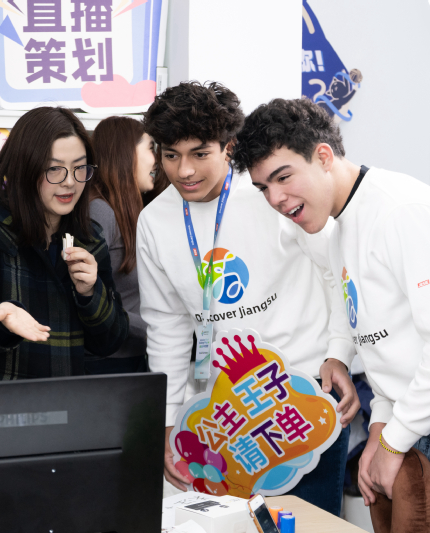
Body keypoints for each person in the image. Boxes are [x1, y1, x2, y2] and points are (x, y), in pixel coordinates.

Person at [233, 97, 430, 532]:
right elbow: (382, 339)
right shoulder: (342, 227)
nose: (275, 198)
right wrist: (380, 428)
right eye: (263, 188)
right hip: (427, 419)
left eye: (283, 177)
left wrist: (392, 440)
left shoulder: (402, 212)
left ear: (323, 156)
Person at [137, 81, 360, 515]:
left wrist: (340, 352)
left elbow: (337, 271)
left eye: (199, 153)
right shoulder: (154, 221)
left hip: (304, 392)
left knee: (307, 523)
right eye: (171, 155)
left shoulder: (272, 194)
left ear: (228, 147)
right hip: (229, 413)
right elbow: (166, 327)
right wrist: (167, 420)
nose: (184, 170)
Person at [0, 107, 129, 383]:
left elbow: (110, 342)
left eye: (79, 168)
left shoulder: (90, 239)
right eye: (54, 169)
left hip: (60, 399)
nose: (69, 182)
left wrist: (91, 293)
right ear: (25, 169)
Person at [86, 116, 156, 374]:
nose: (157, 160)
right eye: (151, 148)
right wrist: (160, 330)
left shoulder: (125, 211)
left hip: (130, 356)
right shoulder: (99, 211)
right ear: (126, 153)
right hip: (106, 365)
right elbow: (89, 299)